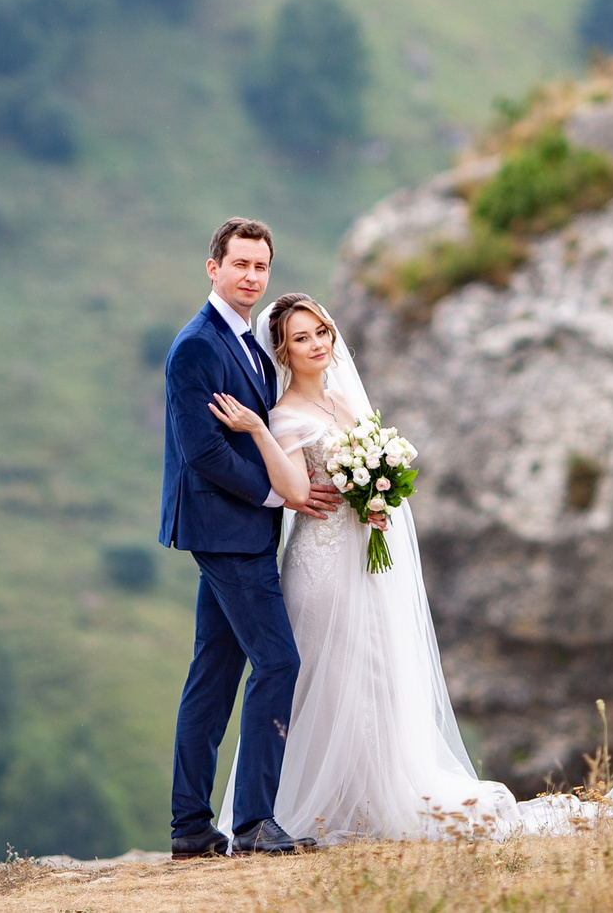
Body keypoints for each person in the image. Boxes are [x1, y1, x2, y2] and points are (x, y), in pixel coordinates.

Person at [209, 293, 613, 845]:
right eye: (301, 338)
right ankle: (304, 806)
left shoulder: (345, 407)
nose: (316, 345)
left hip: (364, 559)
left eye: (321, 332)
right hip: (321, 566)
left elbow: (365, 475)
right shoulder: (283, 415)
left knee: (372, 675)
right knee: (323, 679)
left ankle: (368, 794)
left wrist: (376, 497)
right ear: (282, 350)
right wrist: (258, 430)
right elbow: (294, 491)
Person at [159, 218, 344, 857]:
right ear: (213, 267)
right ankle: (255, 823)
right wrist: (276, 494)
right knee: (279, 660)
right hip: (226, 529)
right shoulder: (196, 346)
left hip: (247, 529)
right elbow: (202, 451)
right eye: (240, 264)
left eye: (261, 267)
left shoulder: (250, 343)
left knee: (214, 673)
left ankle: (190, 828)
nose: (251, 277)